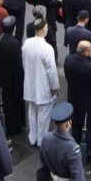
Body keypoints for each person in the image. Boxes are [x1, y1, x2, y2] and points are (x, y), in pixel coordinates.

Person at [64, 38, 91, 164]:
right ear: (86, 52)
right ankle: (87, 154)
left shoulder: (69, 59)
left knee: (76, 126)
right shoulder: (89, 67)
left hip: (74, 99)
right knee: (89, 129)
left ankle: (74, 150)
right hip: (88, 104)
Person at [23, 16, 59, 146]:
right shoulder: (47, 48)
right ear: (44, 29)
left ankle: (32, 137)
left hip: (30, 85)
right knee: (43, 114)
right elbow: (51, 71)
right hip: (43, 86)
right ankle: (41, 140)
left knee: (32, 111)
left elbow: (24, 62)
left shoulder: (27, 43)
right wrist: (55, 87)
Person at [36, 102, 87, 181]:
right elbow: (78, 180)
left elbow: (42, 170)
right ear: (68, 123)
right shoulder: (73, 149)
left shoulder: (46, 139)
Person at [0, 15, 25, 137]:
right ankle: (12, 127)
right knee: (11, 104)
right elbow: (18, 64)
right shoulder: (14, 43)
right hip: (11, 79)